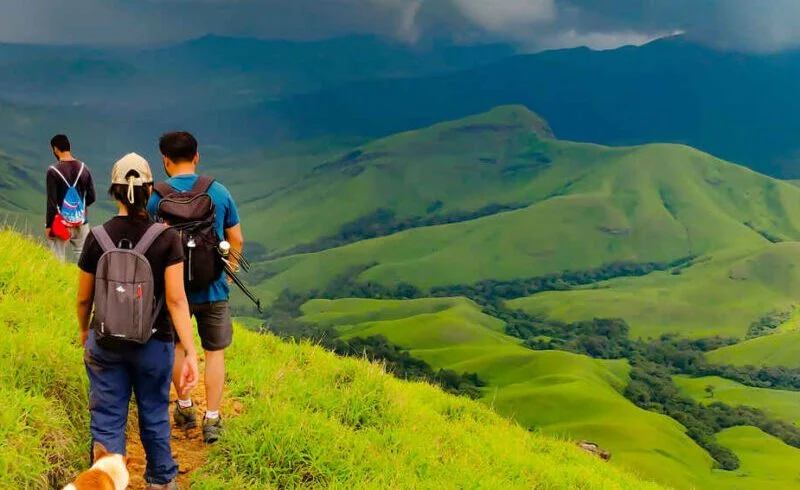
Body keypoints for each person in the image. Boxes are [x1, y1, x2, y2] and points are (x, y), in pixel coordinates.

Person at [77, 153, 199, 490]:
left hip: (105, 343)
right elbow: (176, 300)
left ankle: (103, 482)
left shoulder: (97, 237)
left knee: (107, 421)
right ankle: (161, 482)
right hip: (154, 344)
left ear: (114, 192)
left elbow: (84, 298)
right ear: (149, 191)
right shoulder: (166, 238)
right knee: (155, 416)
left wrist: (84, 331)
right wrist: (189, 352)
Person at [148, 131, 243, 444]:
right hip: (213, 288)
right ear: (197, 156)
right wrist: (226, 275)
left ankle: (185, 407)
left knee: (176, 347)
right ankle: (212, 419)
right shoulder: (218, 191)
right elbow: (237, 239)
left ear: (165, 160)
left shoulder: (156, 197)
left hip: (173, 293)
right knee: (214, 353)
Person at [46, 134, 96, 262]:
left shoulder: (53, 171)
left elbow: (52, 202)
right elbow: (92, 197)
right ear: (70, 147)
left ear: (55, 149)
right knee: (85, 260)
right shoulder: (85, 169)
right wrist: (79, 209)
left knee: (57, 258)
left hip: (60, 223)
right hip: (81, 222)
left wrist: (49, 226)